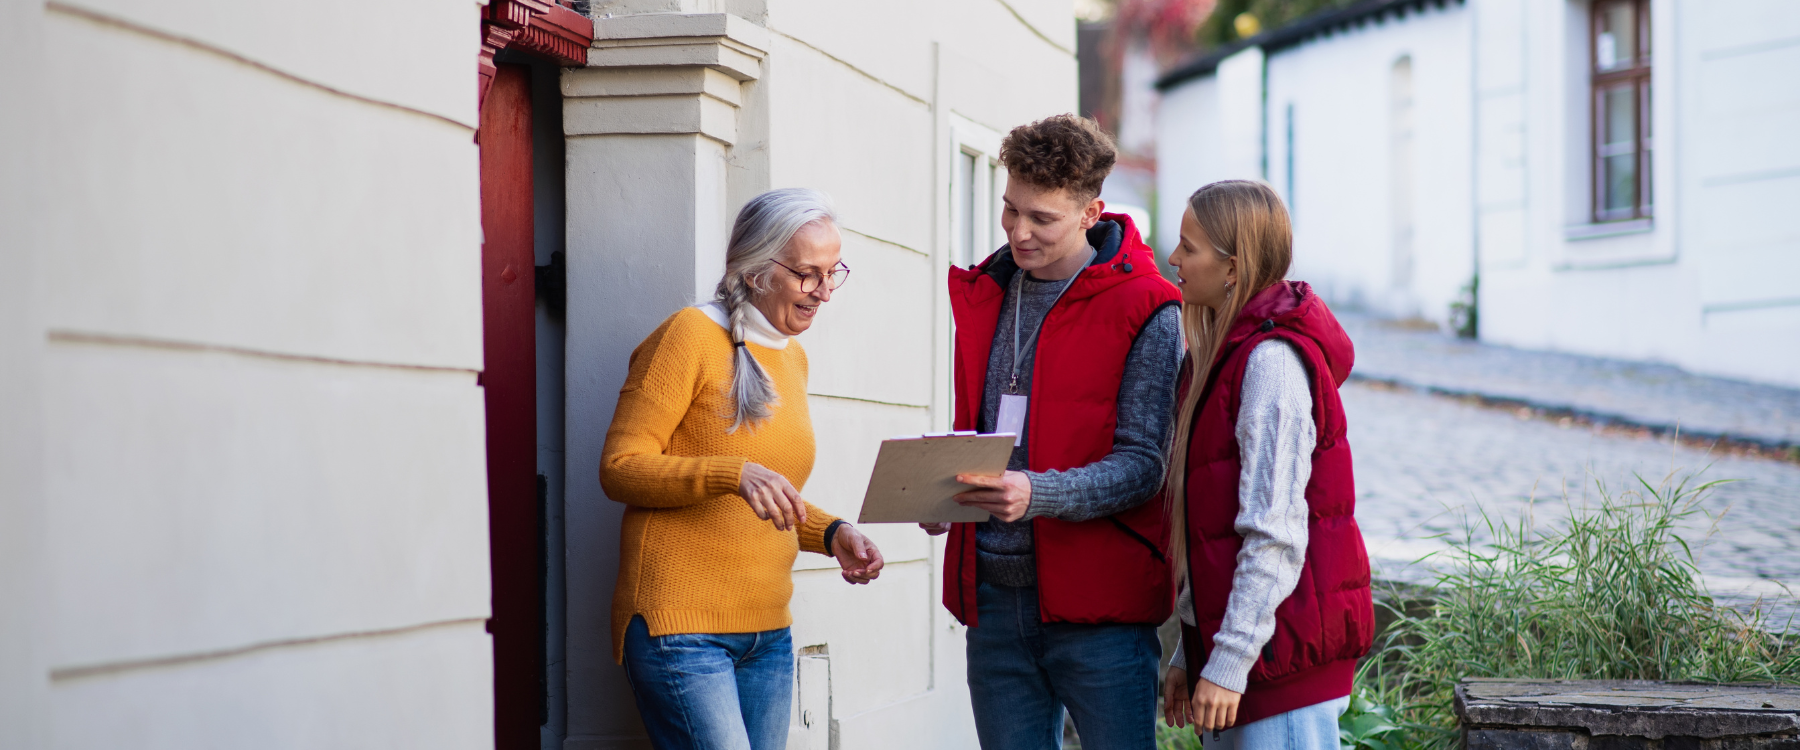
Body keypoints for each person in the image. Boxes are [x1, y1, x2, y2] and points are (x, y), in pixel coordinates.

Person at [923, 114, 1183, 750]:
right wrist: (941, 496)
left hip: (1102, 613)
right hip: (994, 603)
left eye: (1042, 218)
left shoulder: (1147, 307)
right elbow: (987, 434)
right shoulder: (989, 291)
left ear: (1092, 211)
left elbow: (1144, 465)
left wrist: (1036, 494)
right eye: (1011, 210)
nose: (1018, 231)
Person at [599, 188, 886, 750]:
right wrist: (730, 472)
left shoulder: (791, 356)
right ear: (757, 271)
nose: (824, 292)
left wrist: (833, 533)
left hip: (768, 633)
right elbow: (619, 468)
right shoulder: (688, 335)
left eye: (834, 273)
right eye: (808, 274)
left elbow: (770, 495)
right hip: (679, 629)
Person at [1158, 180, 1374, 750]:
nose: (1174, 259)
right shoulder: (1221, 358)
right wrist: (1191, 645)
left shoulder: (1270, 365)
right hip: (1250, 655)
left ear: (1233, 267)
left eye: (1189, 247)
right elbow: (1206, 530)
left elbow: (1274, 532)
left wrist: (1225, 663)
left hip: (1278, 672)